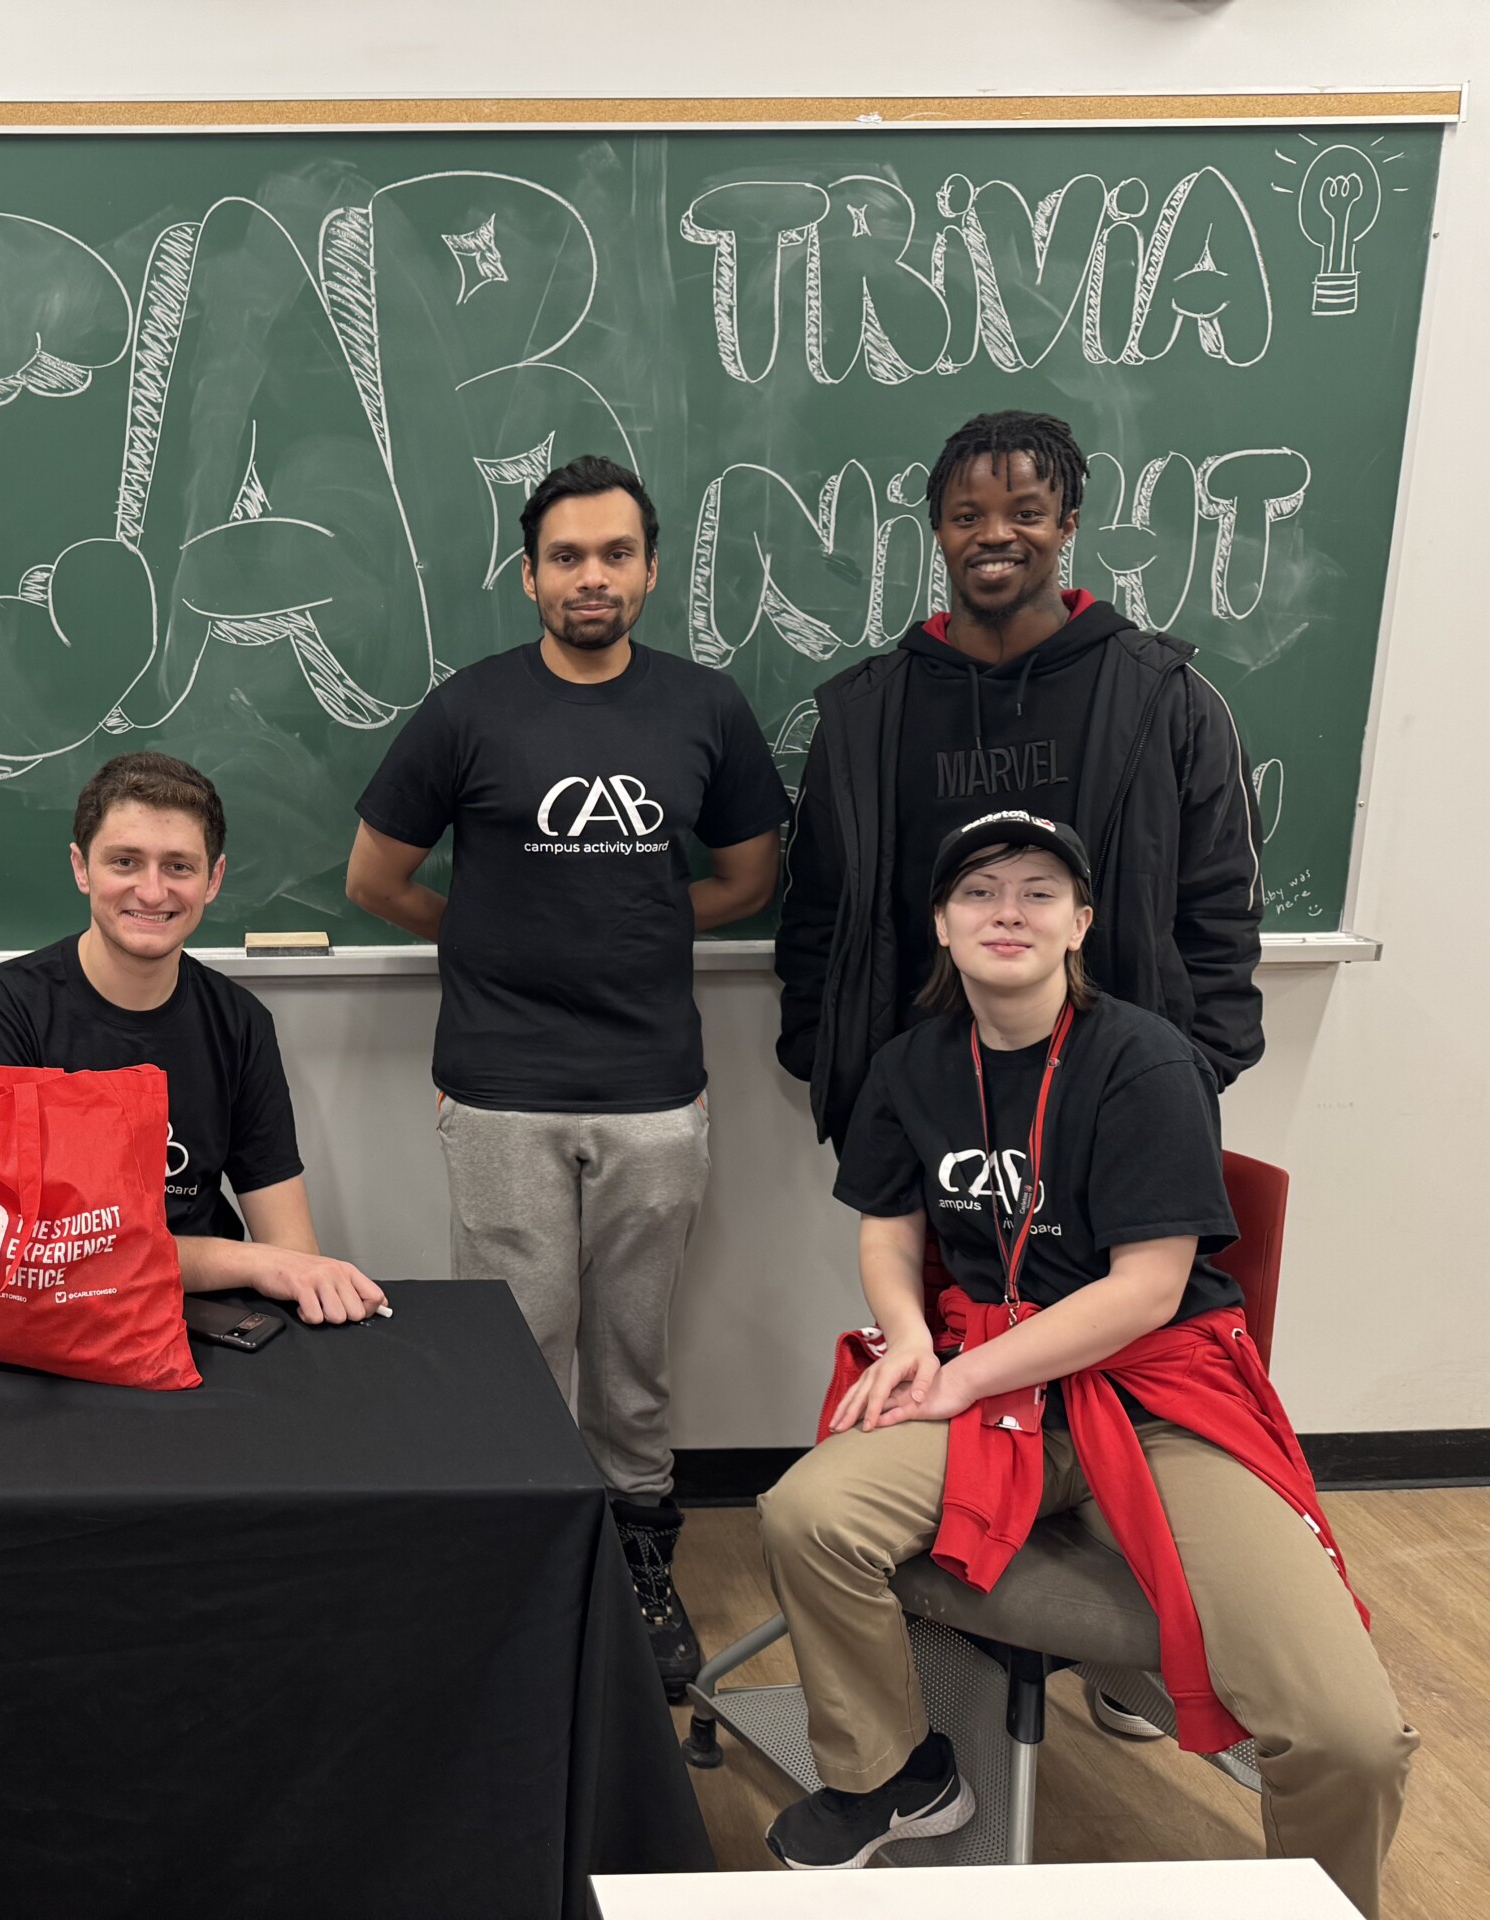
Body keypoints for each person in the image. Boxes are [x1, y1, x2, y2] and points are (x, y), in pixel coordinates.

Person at [756, 812, 1413, 1908]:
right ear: (938, 923)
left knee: (1349, 1738)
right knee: (806, 1516)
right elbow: (886, 1228)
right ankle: (896, 1778)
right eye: (977, 891)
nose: (1006, 911)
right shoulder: (910, 1064)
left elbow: (1146, 1289)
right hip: (987, 1379)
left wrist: (959, 1377)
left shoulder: (1145, 1058)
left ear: (1080, 924)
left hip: (1151, 1388)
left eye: (1037, 891)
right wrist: (914, 1341)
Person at [345, 453, 791, 1700]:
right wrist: (490, 937)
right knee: (519, 1340)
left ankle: (640, 1562)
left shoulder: (704, 708)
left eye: (613, 555)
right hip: (497, 1084)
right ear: (529, 573)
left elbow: (749, 879)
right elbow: (376, 882)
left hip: (654, 1083)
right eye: (564, 558)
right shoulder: (466, 709)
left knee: (634, 1347)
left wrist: (639, 927)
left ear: (649, 568)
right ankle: (527, 1561)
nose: (589, 578)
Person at [776, 409, 1266, 1148]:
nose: (996, 534)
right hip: (916, 1106)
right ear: (938, 530)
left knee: (1123, 1274)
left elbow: (1221, 898)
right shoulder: (867, 713)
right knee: (909, 1273)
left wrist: (1192, 1065)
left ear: (1068, 525)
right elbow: (817, 902)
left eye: (1026, 513)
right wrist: (829, 1055)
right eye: (967, 515)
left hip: (1116, 1104)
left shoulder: (1163, 698)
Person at [0, 752, 384, 1326]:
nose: (152, 892)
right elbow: (31, 1255)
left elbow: (291, 1250)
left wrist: (280, 1268)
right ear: (82, 868)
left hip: (201, 1318)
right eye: (125, 861)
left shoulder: (240, 1022)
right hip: (52, 1324)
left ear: (214, 879)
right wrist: (249, 1262)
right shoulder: (1, 1009)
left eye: (179, 866)